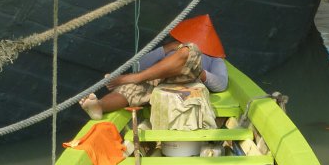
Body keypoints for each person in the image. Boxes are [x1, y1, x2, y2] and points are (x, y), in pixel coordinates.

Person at [79, 14, 228, 120]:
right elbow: (140, 64)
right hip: (158, 78)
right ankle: (99, 106)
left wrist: (198, 71)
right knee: (129, 89)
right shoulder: (171, 48)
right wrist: (167, 48)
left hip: (190, 76)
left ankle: (132, 78)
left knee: (192, 50)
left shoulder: (214, 57)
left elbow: (221, 84)